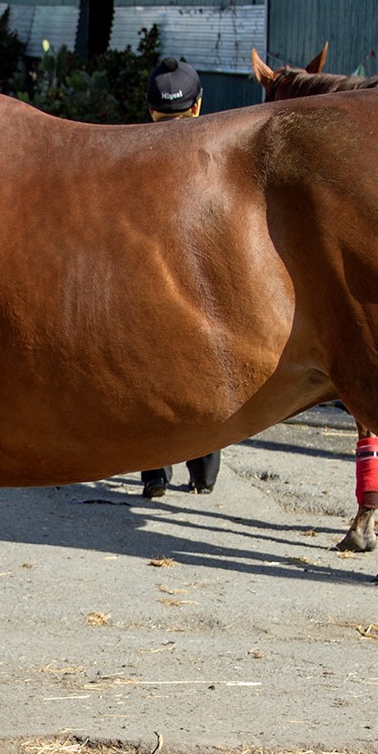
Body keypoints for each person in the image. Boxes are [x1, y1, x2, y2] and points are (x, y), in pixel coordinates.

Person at [140, 56, 222, 500]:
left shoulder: (132, 156)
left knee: (150, 374)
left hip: (150, 283)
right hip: (202, 285)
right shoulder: (214, 154)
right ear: (197, 106)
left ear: (150, 108)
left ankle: (153, 472)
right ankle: (204, 467)